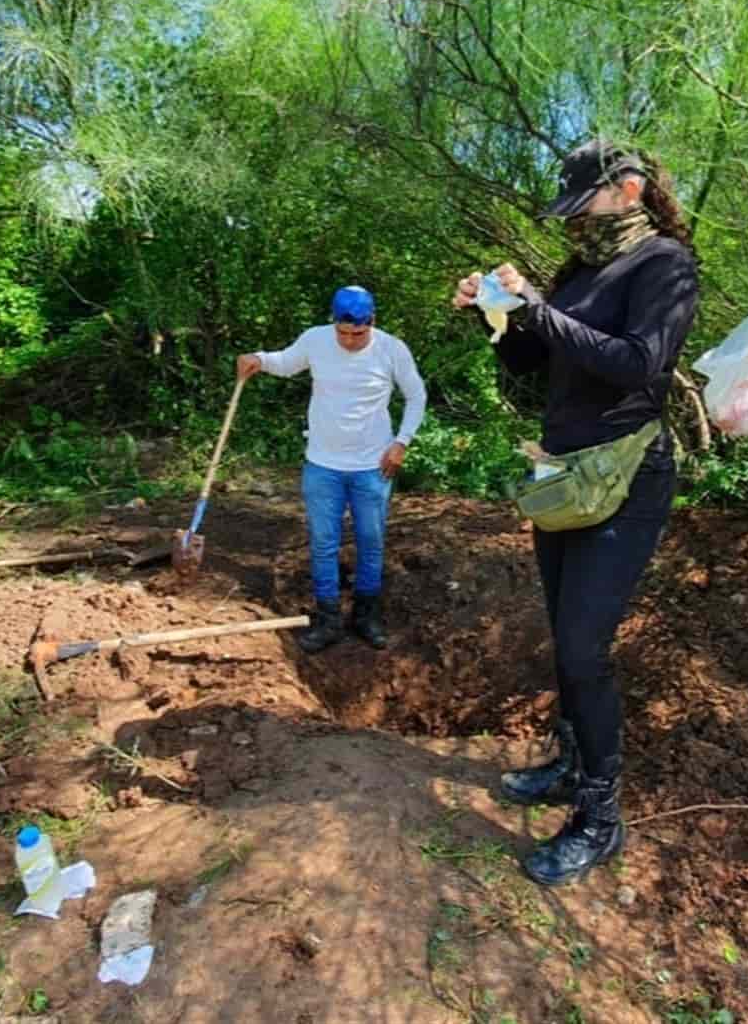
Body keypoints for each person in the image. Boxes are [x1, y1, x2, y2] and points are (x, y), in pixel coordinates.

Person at [451, 139, 698, 886]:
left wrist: (539, 311)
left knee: (586, 648)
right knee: (565, 637)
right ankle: (568, 762)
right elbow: (532, 366)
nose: (574, 219)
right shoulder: (583, 266)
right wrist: (495, 315)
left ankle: (601, 817)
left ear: (627, 190)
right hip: (566, 476)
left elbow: (636, 361)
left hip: (624, 478)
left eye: (583, 201)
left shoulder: (666, 265)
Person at [238, 286, 427, 654]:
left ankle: (365, 617)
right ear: (334, 323)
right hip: (323, 465)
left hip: (373, 467)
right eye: (344, 333)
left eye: (359, 333)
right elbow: (287, 361)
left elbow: (416, 394)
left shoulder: (392, 348)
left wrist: (401, 442)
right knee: (324, 544)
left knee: (370, 543)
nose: (351, 340)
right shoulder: (316, 340)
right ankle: (328, 620)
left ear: (372, 322)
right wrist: (258, 359)